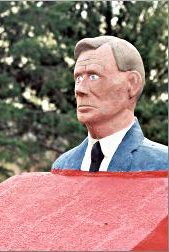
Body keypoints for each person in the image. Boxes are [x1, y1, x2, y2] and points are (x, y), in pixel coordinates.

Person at [52, 35, 168, 172]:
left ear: (132, 84)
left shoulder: (162, 165)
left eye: (93, 76)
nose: (79, 89)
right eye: (78, 78)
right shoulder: (62, 166)